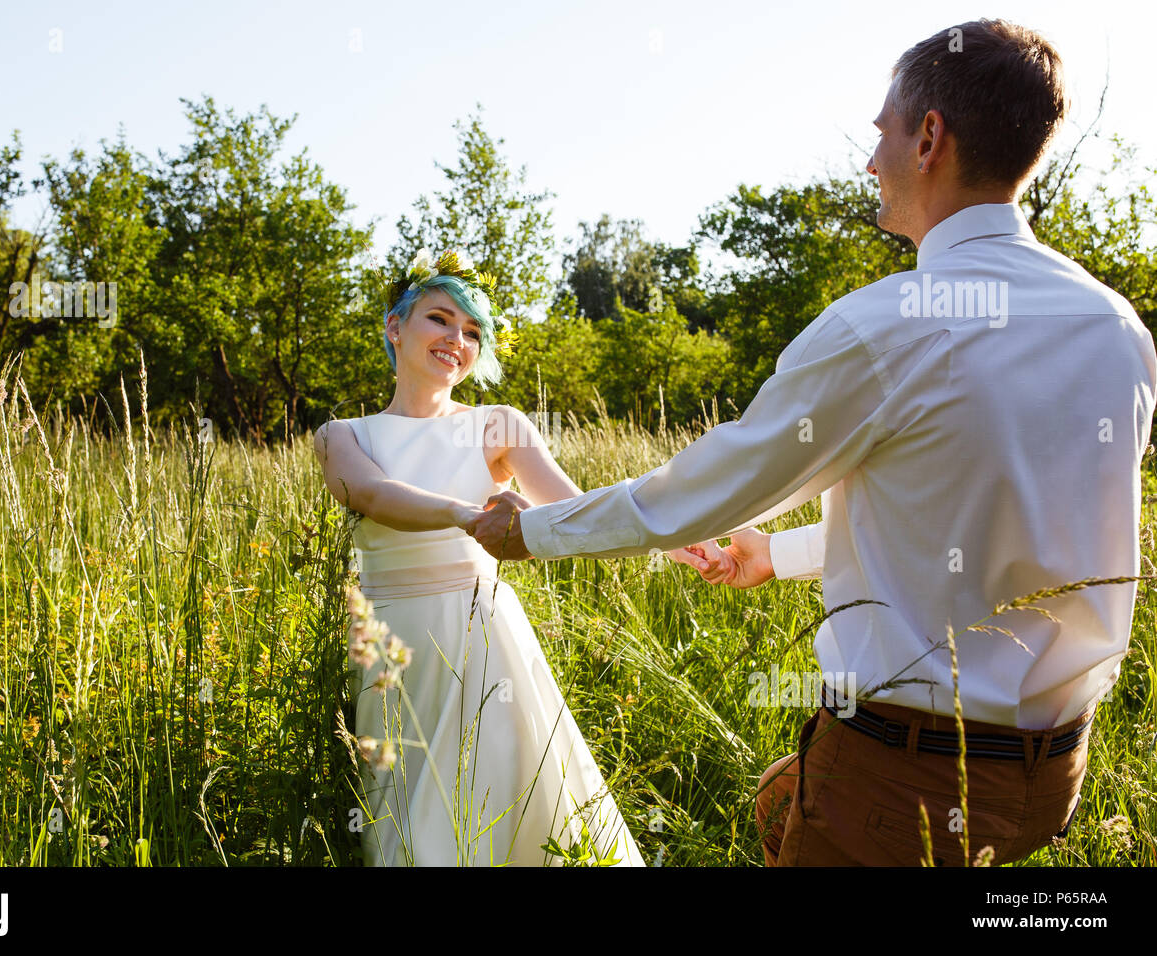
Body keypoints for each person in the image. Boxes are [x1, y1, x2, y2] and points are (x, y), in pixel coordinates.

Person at [468, 19, 1157, 866]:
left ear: (930, 137)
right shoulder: (1116, 328)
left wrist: (528, 530)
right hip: (1050, 780)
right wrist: (781, 556)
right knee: (780, 796)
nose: (872, 160)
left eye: (883, 133)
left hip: (905, 776)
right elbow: (986, 519)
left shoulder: (887, 327)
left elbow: (707, 489)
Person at [315, 248, 724, 865]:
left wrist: (673, 536)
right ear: (396, 326)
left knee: (501, 790)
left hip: (482, 633)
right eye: (440, 319)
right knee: (402, 804)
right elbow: (374, 495)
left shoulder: (498, 425)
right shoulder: (342, 435)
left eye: (472, 331)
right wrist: (470, 516)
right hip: (388, 641)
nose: (457, 339)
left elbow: (578, 508)